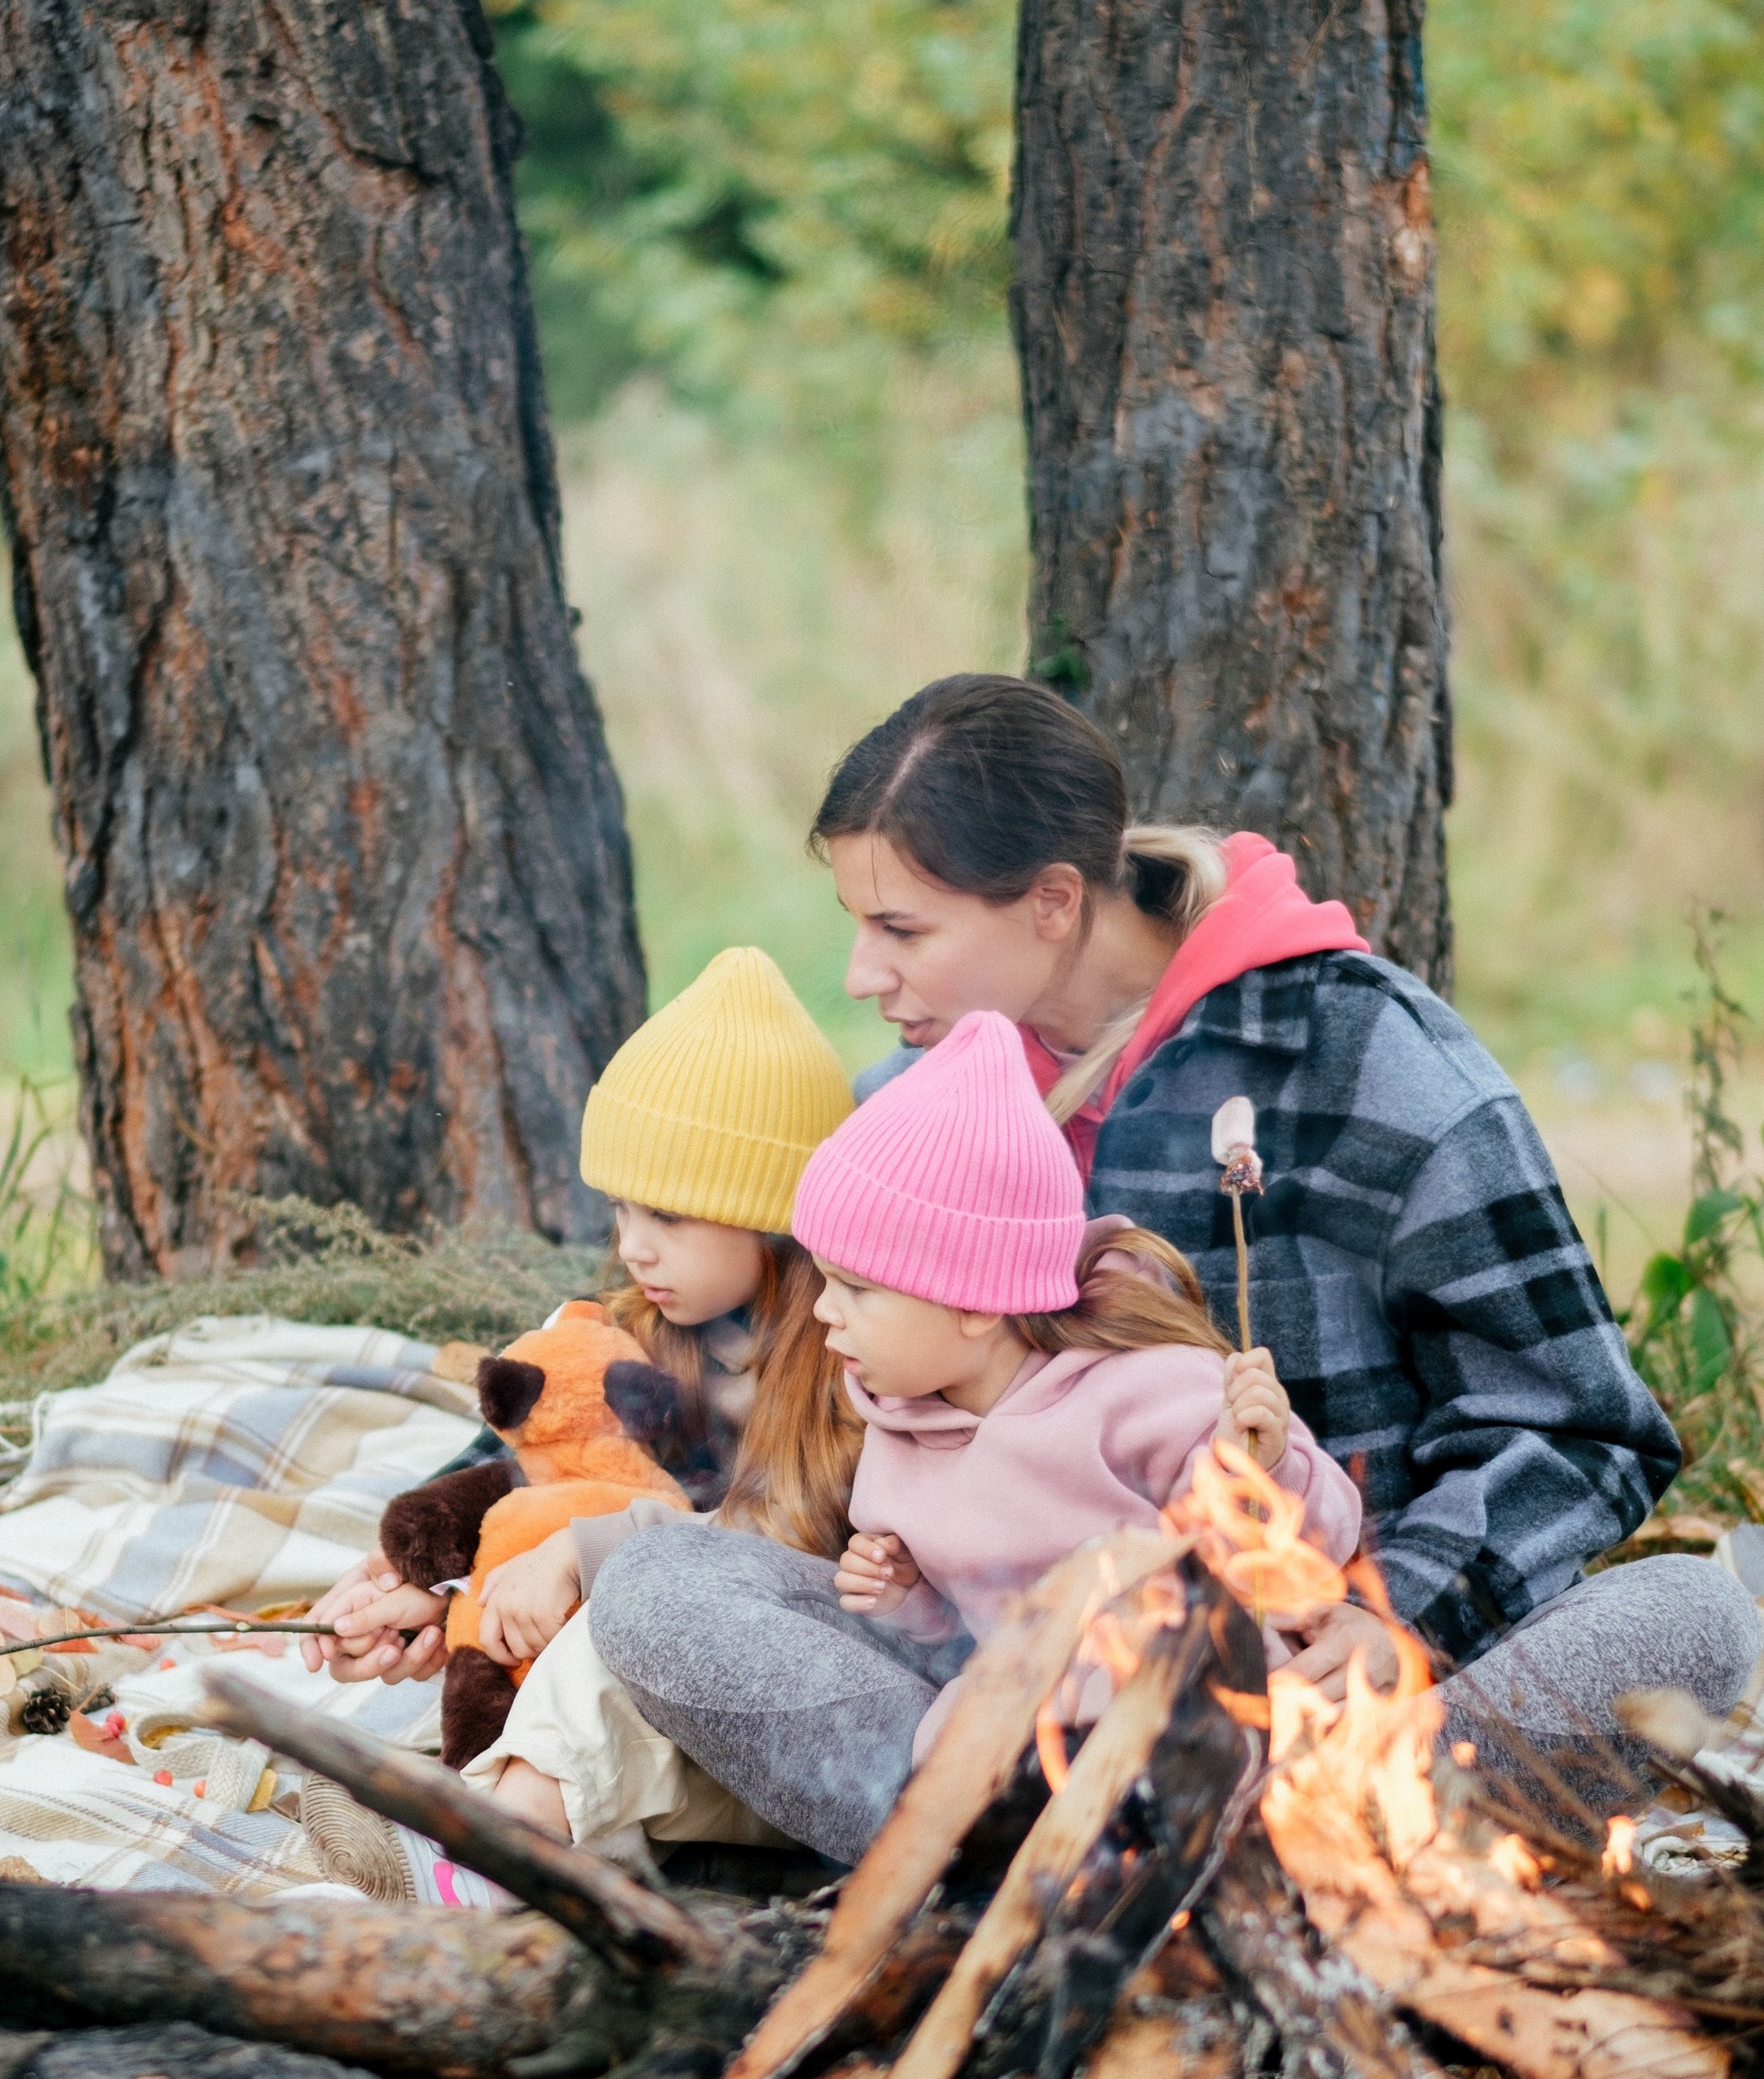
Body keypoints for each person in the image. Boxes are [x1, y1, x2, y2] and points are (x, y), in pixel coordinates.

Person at [589, 673, 1757, 1839]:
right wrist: (576, 1534)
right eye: (857, 923)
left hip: (1331, 1685)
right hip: (1016, 1696)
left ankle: (1305, 1849)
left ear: (1053, 903)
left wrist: (1397, 1619)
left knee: (1694, 1615)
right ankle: (1010, 1845)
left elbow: (1577, 1426)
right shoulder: (913, 1109)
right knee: (658, 1593)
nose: (859, 974)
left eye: (901, 928)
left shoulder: (1366, 1060)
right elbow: (799, 1389)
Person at [575, 1008, 1357, 1859]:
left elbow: (1306, 1557)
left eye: (855, 1288)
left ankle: (1109, 1862)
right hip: (999, 1741)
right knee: (657, 1584)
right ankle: (968, 1861)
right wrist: (906, 1596)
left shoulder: (1143, 1392)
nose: (823, 1311)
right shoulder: (894, 1425)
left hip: (1182, 1732)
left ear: (978, 1301)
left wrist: (1272, 1465)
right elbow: (958, 1630)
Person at [301, 947, 860, 1840]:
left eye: (667, 1218)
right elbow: (529, 1464)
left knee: (608, 1654)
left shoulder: (845, 1369)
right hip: (651, 1717)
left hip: (785, 1731)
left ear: (775, 1220)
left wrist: (578, 1556)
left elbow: (776, 1562)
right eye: (621, 1212)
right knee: (566, 1650)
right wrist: (432, 1588)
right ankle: (501, 1826)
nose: (633, 1248)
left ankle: (491, 1854)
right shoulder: (640, 1329)